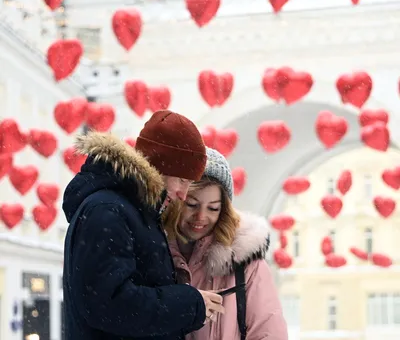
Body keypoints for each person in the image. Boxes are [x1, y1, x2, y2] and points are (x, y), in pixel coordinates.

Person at [62, 110, 225, 340]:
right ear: (158, 166)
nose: (182, 194)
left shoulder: (132, 212)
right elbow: (110, 305)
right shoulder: (108, 211)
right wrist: (189, 303)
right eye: (181, 180)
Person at [163, 147, 288, 340]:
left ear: (224, 210)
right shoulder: (154, 252)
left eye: (213, 208)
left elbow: (268, 332)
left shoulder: (244, 262)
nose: (201, 217)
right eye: (192, 205)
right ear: (177, 200)